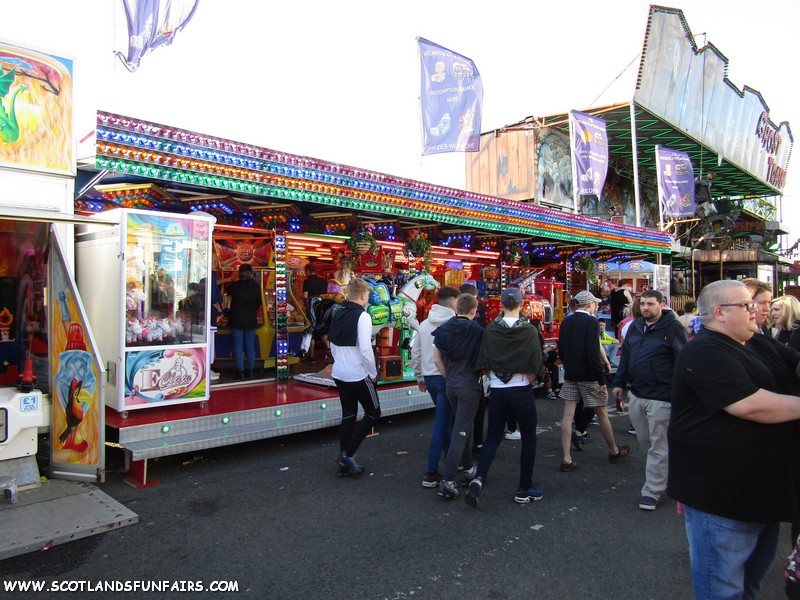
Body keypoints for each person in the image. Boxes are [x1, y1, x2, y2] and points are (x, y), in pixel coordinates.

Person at [668, 279, 800, 599]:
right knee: (723, 590)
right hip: (723, 498)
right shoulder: (704, 350)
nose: (756, 310)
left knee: (750, 584)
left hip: (762, 493)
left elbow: (795, 363)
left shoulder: (757, 342)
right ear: (720, 313)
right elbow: (749, 405)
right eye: (747, 305)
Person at [465, 287, 545, 508]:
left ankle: (479, 478)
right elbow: (536, 362)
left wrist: (495, 379)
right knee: (529, 438)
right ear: (521, 304)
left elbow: (484, 361)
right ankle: (524, 487)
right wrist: (529, 380)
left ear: (501, 304)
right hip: (521, 388)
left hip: (498, 389)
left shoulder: (491, 330)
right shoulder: (529, 331)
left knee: (493, 436)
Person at [611, 290, 688, 511]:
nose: (645, 307)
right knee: (646, 441)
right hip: (637, 394)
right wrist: (619, 382)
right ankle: (670, 472)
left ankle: (652, 491)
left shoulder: (672, 328)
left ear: (661, 305)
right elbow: (626, 356)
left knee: (658, 445)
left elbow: (683, 360)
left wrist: (681, 393)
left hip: (662, 396)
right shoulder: (636, 326)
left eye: (650, 304)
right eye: (643, 303)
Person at [557, 291, 630, 472]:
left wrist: (569, 365)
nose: (596, 307)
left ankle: (566, 458)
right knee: (602, 413)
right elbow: (592, 352)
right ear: (590, 304)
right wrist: (601, 378)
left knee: (568, 415)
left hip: (571, 373)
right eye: (595, 304)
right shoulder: (590, 322)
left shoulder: (567, 321)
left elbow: (562, 348)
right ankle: (613, 450)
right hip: (589, 374)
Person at [431, 293, 484, 499]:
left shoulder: (443, 329)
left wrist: (448, 376)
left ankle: (468, 467)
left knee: (463, 427)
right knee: (460, 431)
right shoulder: (478, 331)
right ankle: (448, 479)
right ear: (473, 310)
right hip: (469, 385)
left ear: (456, 307)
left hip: (451, 384)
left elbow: (437, 360)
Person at [328, 277, 380, 477]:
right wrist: (373, 373)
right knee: (373, 412)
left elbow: (332, 343)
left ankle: (344, 462)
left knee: (348, 414)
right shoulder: (363, 316)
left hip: (339, 371)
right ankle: (347, 455)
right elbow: (366, 349)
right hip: (357, 373)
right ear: (363, 295)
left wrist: (340, 361)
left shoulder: (338, 312)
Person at [411, 285, 460, 488]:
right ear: (453, 303)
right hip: (445, 377)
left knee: (444, 421)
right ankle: (431, 472)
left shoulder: (424, 324)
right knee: (442, 423)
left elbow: (416, 352)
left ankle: (451, 459)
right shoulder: (454, 324)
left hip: (430, 378)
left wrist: (419, 376)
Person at [225, 263, 261, 379]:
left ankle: (240, 371)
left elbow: (227, 299)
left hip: (236, 318)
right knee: (250, 345)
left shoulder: (233, 286)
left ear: (239, 273)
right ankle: (250, 370)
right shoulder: (256, 286)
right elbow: (258, 303)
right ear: (251, 273)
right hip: (250, 319)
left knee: (238, 345)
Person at [301, 264, 330, 363]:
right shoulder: (323, 281)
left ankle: (312, 356)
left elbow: (305, 296)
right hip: (323, 309)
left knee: (310, 331)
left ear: (308, 271)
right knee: (323, 331)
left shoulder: (307, 281)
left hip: (311, 309)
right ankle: (330, 353)